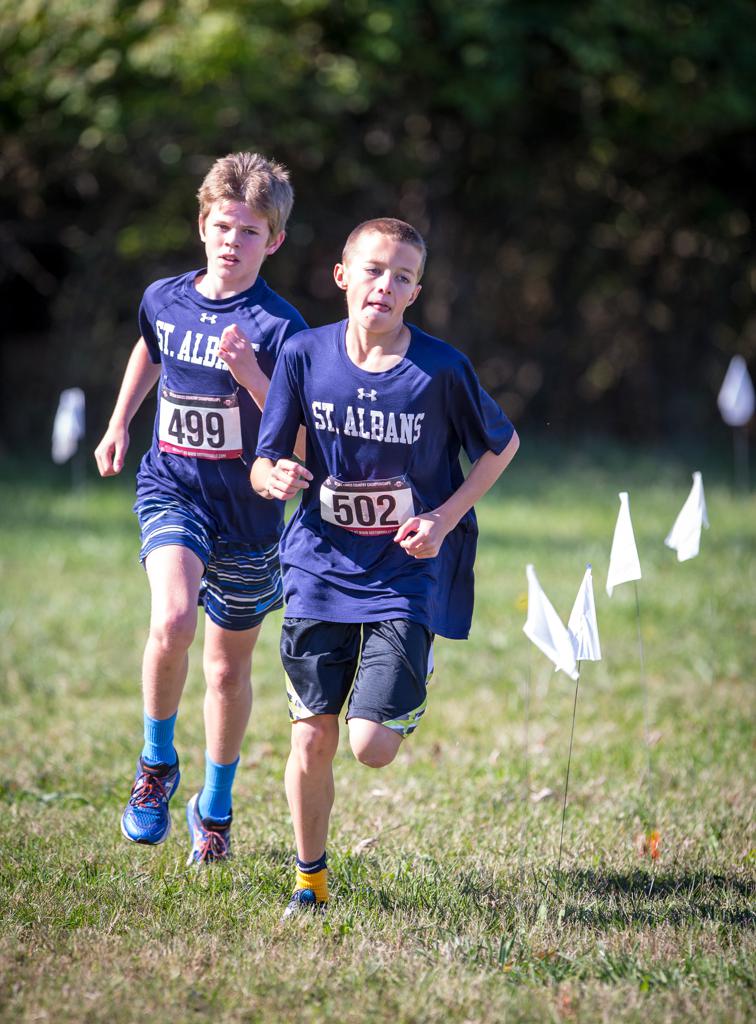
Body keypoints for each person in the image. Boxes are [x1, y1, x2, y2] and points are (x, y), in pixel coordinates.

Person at [250, 217, 519, 915]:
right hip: (317, 564)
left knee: (370, 747)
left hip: (404, 572)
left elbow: (502, 444)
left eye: (402, 276)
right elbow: (267, 455)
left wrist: (443, 517)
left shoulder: (441, 369)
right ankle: (309, 881)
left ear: (416, 291)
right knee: (312, 736)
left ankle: (415, 660)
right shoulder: (304, 355)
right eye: (372, 269)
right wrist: (272, 476)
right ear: (342, 276)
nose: (385, 285)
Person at [94, 151, 307, 865]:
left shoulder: (283, 328)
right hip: (172, 487)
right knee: (173, 617)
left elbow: (300, 432)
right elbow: (150, 352)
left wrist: (250, 373)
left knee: (225, 670)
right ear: (202, 224)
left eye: (250, 231)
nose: (232, 241)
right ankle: (156, 765)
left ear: (273, 240)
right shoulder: (165, 298)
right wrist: (122, 420)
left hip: (247, 517)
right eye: (222, 225)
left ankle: (214, 808)